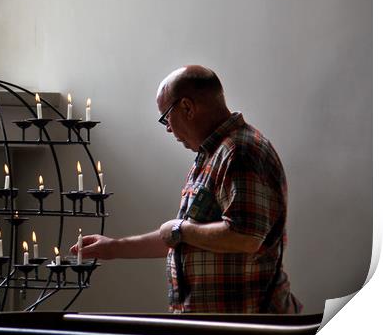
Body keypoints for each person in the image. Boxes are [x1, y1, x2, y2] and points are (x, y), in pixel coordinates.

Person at [70, 65, 302, 314]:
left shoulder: (240, 151)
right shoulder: (212, 154)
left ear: (187, 108)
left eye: (165, 117)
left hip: (245, 329)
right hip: (218, 328)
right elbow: (184, 239)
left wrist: (181, 229)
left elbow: (245, 237)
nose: (168, 128)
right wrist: (113, 248)